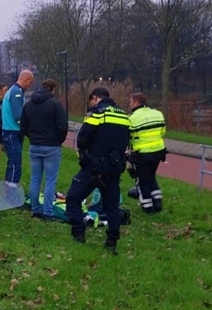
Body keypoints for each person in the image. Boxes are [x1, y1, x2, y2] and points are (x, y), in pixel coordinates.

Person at [65, 87, 131, 252]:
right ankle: (112, 241)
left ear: (95, 98)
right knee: (112, 206)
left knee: (73, 198)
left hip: (94, 167)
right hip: (114, 168)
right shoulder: (124, 116)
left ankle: (79, 234)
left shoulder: (97, 113)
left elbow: (82, 140)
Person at [20, 78, 69, 221]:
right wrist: (57, 140)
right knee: (50, 180)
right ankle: (48, 212)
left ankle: (35, 210)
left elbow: (23, 127)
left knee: (35, 179)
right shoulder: (55, 104)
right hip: (51, 146)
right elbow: (63, 126)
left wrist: (32, 137)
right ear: (52, 89)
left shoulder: (28, 105)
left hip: (34, 145)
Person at [127, 92, 167, 214]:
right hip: (159, 151)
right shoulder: (158, 114)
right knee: (151, 176)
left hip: (142, 153)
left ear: (136, 103)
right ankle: (158, 201)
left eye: (131, 102)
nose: (130, 104)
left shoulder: (132, 118)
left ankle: (147, 207)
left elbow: (128, 136)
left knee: (142, 180)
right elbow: (162, 132)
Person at [1, 70, 36, 191]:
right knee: (16, 165)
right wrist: (28, 128)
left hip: (9, 132)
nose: (30, 85)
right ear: (25, 79)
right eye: (30, 83)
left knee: (11, 164)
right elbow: (18, 116)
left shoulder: (13, 90)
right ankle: (12, 195)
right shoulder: (17, 92)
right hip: (12, 132)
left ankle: (7, 190)